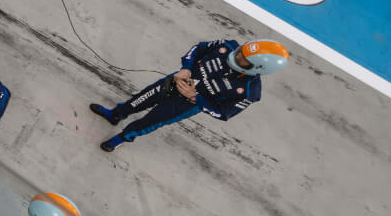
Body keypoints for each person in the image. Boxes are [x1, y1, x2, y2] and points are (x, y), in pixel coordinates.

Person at [90, 38, 289, 151]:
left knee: (150, 122)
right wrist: (186, 68)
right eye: (240, 51)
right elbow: (198, 48)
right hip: (177, 81)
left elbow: (222, 113)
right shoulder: (226, 45)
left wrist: (195, 98)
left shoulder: (249, 92)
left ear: (258, 68)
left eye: (243, 59)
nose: (236, 55)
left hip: (188, 104)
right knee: (140, 99)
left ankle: (121, 139)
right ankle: (115, 115)